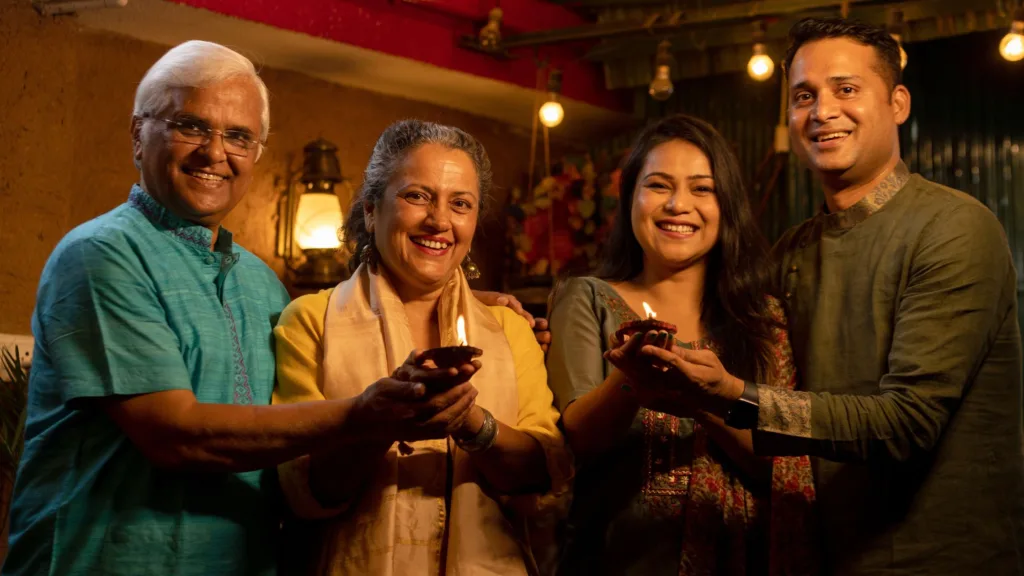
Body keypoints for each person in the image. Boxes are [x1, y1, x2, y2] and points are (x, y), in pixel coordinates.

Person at [2, 42, 542, 576]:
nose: (215, 152)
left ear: (257, 152)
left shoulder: (259, 284)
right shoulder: (100, 255)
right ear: (138, 136)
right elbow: (174, 435)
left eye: (239, 135)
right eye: (190, 126)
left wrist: (456, 298)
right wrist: (364, 414)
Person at [625, 18, 1024, 575]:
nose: (822, 111)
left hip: (943, 558)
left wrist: (735, 395)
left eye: (846, 89)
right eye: (803, 96)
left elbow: (908, 423)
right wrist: (505, 315)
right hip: (821, 555)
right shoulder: (793, 252)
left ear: (899, 103)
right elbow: (710, 302)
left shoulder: (954, 227)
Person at [272, 119, 570, 576]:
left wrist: (474, 425)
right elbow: (305, 491)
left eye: (461, 204)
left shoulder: (510, 329)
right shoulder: (311, 321)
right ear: (371, 210)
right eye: (417, 196)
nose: (440, 221)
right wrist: (376, 423)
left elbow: (543, 472)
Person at [546, 114, 816, 576]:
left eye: (701, 189)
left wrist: (703, 401)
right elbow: (575, 443)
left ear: (726, 206)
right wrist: (632, 382)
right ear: (630, 198)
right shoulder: (588, 298)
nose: (677, 204)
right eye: (657, 185)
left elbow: (788, 466)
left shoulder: (763, 318)